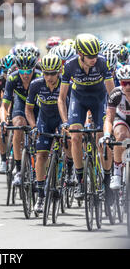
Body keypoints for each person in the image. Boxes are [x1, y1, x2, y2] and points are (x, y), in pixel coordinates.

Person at [58, 33, 115, 201]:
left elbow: (112, 95)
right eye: (90, 56)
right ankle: (80, 179)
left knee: (101, 139)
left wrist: (113, 118)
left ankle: (106, 179)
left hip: (99, 100)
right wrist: (65, 122)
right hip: (79, 100)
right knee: (75, 136)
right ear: (80, 54)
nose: (94, 59)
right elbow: (61, 98)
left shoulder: (102, 63)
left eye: (96, 55)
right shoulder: (70, 66)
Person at [26, 53, 72, 213]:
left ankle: (70, 169)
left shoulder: (66, 85)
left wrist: (68, 126)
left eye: (53, 73)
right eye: (46, 73)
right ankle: (40, 195)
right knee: (41, 155)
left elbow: (73, 107)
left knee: (69, 140)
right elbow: (29, 109)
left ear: (59, 72)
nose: (49, 77)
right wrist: (33, 126)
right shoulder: (36, 84)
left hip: (62, 119)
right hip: (44, 120)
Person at [0, 50, 41, 186]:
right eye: (22, 72)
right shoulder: (12, 78)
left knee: (41, 131)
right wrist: (3, 120)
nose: (25, 75)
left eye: (28, 72)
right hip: (21, 102)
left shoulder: (40, 77)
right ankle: (18, 170)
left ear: (33, 69)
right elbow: (4, 105)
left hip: (37, 104)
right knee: (18, 126)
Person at [101, 65, 130, 190]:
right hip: (121, 119)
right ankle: (117, 173)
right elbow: (109, 118)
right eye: (124, 83)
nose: (128, 86)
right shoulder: (116, 93)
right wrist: (107, 135)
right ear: (120, 83)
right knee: (121, 136)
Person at [0, 53, 16, 174]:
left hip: (17, 106)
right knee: (0, 129)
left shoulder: (18, 79)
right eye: (5, 72)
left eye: (10, 71)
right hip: (5, 107)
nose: (7, 75)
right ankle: (3, 160)